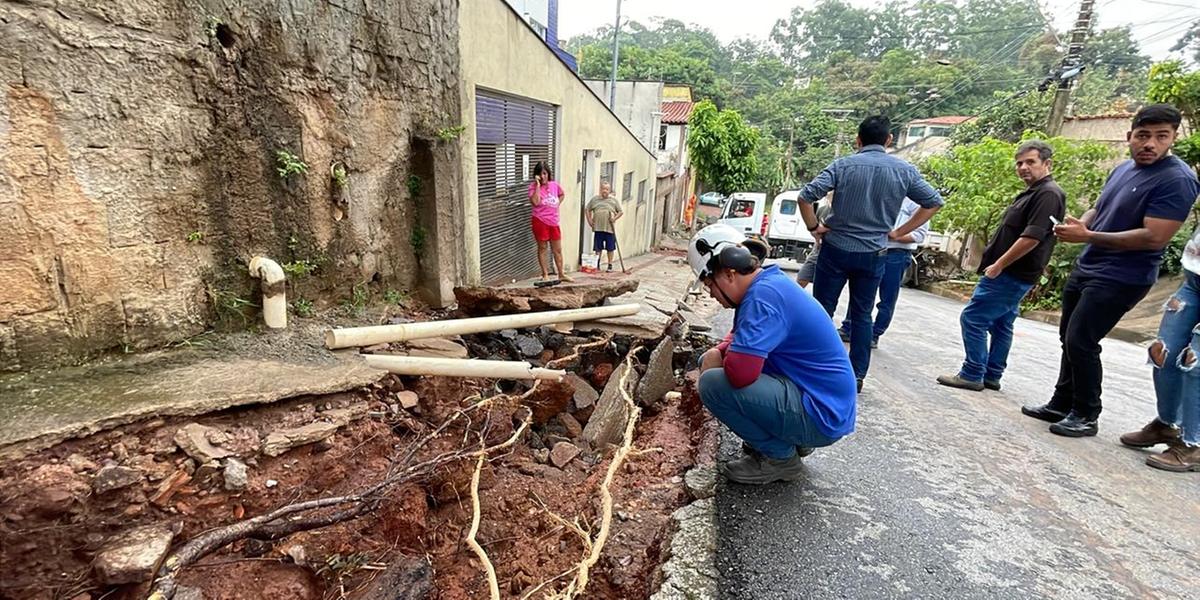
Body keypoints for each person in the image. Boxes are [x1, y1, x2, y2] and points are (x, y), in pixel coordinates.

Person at [1022, 104, 1200, 438]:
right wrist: (1083, 223)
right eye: (1143, 136)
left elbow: (1155, 236)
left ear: (1173, 138)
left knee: (1082, 339)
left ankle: (1087, 413)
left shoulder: (1177, 179)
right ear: (1129, 136)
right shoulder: (1122, 170)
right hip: (1090, 264)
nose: (1150, 144)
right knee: (1068, 338)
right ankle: (1062, 402)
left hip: (1124, 275)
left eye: (1162, 137)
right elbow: (1100, 205)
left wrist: (1087, 236)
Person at [690, 224, 858, 484]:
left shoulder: (762, 299)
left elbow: (741, 375)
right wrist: (716, 352)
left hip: (820, 414)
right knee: (711, 361)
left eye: (709, 283)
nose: (711, 294)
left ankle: (780, 459)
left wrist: (717, 358)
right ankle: (791, 438)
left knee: (712, 384)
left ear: (729, 273)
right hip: (821, 401)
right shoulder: (766, 285)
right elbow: (737, 336)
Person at [798, 115, 944, 391]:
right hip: (874, 253)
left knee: (821, 311)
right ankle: (856, 376)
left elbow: (805, 196)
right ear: (889, 140)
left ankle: (813, 368)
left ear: (857, 139)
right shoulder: (904, 170)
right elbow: (933, 202)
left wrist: (815, 227)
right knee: (862, 315)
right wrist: (900, 232)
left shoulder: (843, 165)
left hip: (836, 249)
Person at [937, 140, 1066, 392]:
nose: (1023, 168)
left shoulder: (1048, 193)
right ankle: (992, 374)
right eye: (1019, 163)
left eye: (1030, 162)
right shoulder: (1034, 192)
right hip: (1014, 272)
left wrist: (998, 264)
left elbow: (1032, 237)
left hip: (1012, 272)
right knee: (1001, 323)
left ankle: (972, 373)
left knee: (973, 318)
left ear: (1047, 164)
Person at [1123, 224, 1200, 472]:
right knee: (1164, 352)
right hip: (1194, 279)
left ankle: (1193, 444)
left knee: (1196, 363)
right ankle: (1167, 424)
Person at [837, 198, 930, 348]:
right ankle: (849, 327)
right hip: (873, 249)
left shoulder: (915, 203)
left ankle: (874, 333)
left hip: (897, 253)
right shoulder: (885, 195)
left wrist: (894, 235)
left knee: (887, 297)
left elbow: (919, 235)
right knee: (861, 291)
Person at [528, 162, 572, 282]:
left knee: (557, 249)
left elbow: (562, 194)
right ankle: (545, 274)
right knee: (543, 248)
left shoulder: (554, 185)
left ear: (548, 173)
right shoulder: (532, 187)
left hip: (554, 222)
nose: (542, 177)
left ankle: (561, 274)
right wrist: (537, 185)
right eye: (540, 174)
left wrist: (558, 202)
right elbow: (536, 202)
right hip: (540, 221)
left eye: (544, 173)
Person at [586, 181, 623, 272]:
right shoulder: (595, 199)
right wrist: (590, 221)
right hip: (598, 228)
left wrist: (614, 218)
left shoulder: (613, 200)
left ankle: (610, 265)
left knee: (610, 247)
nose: (604, 191)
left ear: (609, 190)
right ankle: (597, 264)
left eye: (606, 189)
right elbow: (587, 209)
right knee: (598, 247)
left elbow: (620, 212)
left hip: (609, 228)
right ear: (600, 189)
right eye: (603, 189)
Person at [795, 198, 832, 288]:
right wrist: (817, 236)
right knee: (801, 279)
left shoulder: (843, 213)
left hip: (833, 251)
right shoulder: (822, 210)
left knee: (824, 286)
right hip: (818, 249)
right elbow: (815, 228)